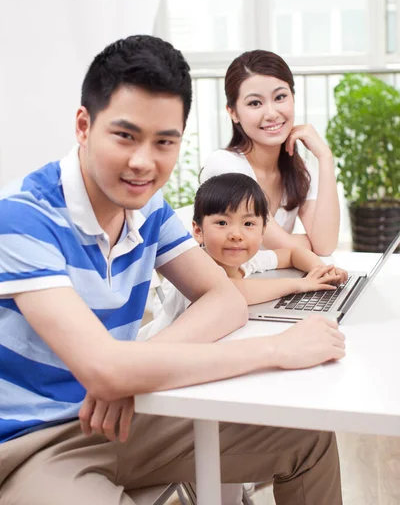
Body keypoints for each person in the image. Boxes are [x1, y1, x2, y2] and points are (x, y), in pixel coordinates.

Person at [0, 35, 345, 505]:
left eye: (165, 141)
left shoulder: (149, 209)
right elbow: (103, 366)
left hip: (133, 414)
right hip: (33, 444)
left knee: (307, 440)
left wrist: (131, 374)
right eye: (125, 136)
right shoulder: (23, 216)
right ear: (84, 126)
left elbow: (224, 299)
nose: (144, 162)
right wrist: (278, 349)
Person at [140, 172, 348, 341]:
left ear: (262, 231)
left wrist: (319, 270)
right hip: (159, 354)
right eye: (222, 223)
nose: (236, 235)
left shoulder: (249, 262)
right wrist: (300, 285)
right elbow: (231, 292)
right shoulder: (195, 267)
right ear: (198, 230)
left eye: (248, 224)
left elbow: (293, 254)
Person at [200, 50, 340, 256]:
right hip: (229, 286)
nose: (272, 114)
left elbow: (326, 246)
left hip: (277, 282)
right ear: (233, 112)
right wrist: (308, 243)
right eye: (255, 103)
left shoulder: (300, 171)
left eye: (280, 97)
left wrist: (325, 157)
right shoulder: (224, 167)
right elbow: (288, 246)